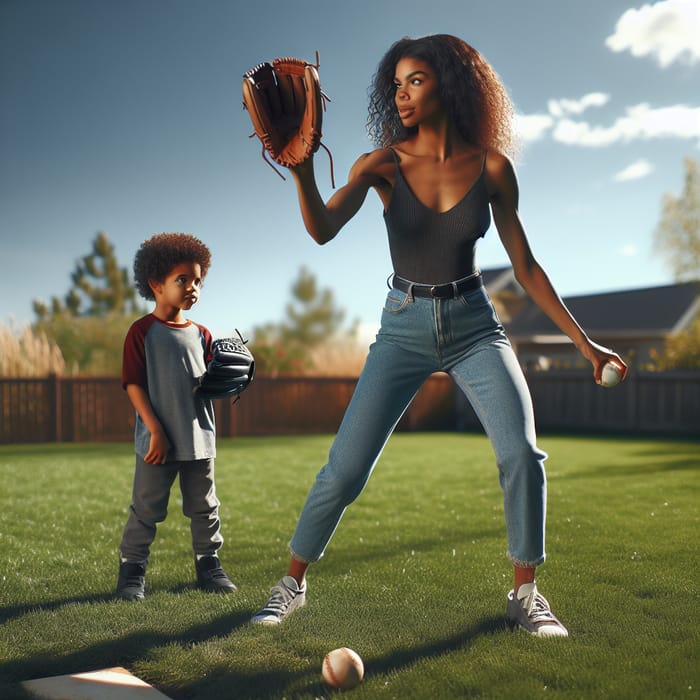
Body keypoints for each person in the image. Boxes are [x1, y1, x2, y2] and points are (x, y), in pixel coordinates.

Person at [251, 35, 627, 635]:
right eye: (396, 84)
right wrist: (300, 174)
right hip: (402, 325)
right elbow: (322, 229)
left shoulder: (493, 169)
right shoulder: (380, 165)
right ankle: (290, 583)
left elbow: (525, 267)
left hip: (475, 325)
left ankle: (525, 594)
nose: (401, 94)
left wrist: (585, 344)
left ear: (449, 85)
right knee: (344, 470)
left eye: (416, 81)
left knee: (522, 455)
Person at [116, 232, 237, 600]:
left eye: (198, 280)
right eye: (182, 279)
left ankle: (209, 566)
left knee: (205, 507)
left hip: (199, 437)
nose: (193, 287)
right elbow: (133, 384)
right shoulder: (142, 332)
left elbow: (209, 384)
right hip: (157, 441)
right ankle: (132, 573)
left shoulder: (202, 334)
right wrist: (155, 430)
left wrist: (228, 380)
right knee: (146, 509)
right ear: (156, 284)